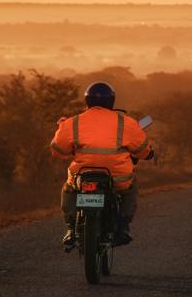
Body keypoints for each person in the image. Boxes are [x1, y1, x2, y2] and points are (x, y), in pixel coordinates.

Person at [50, 82, 153, 247]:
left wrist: (61, 128)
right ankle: (123, 227)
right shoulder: (126, 122)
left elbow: (57, 150)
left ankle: (70, 227)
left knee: (69, 188)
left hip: (81, 175)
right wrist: (149, 154)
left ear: (87, 101)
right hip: (117, 178)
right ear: (112, 101)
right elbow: (143, 150)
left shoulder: (72, 122)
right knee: (130, 187)